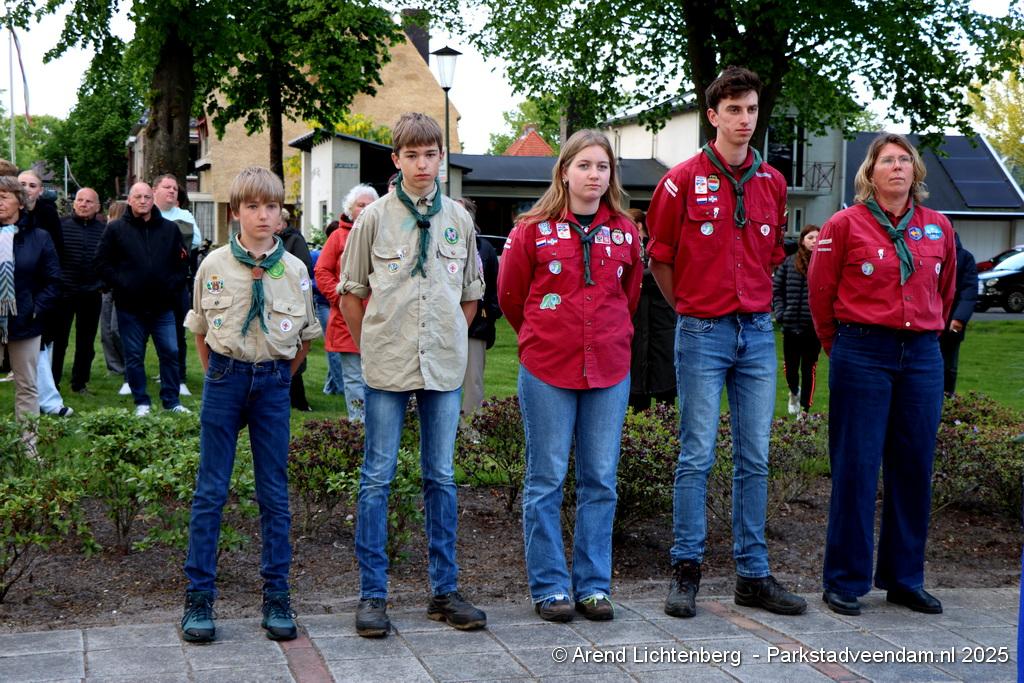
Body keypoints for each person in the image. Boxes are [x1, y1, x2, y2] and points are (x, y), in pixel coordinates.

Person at [646, 66, 806, 618]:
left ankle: (753, 575)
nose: (745, 119)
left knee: (754, 456)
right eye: (734, 109)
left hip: (757, 332)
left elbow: (771, 257)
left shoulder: (773, 182)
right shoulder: (680, 181)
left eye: (752, 109)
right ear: (713, 115)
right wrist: (691, 309)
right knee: (696, 454)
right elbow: (660, 258)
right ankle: (685, 570)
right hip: (703, 331)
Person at [339, 112, 486, 638]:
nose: (423, 165)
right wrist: (373, 345)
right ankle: (372, 595)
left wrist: (448, 337)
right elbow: (351, 293)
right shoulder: (373, 219)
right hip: (387, 365)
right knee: (377, 477)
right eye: (412, 155)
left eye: (431, 155)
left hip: (442, 366)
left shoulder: (458, 219)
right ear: (396, 160)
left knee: (440, 476)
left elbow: (470, 295)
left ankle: (444, 590)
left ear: (441, 158)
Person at [808, 132, 956, 617]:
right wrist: (839, 347)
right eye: (887, 160)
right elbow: (820, 293)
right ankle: (844, 580)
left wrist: (926, 335)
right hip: (862, 351)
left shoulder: (937, 227)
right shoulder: (844, 225)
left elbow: (947, 290)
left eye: (904, 160)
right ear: (870, 173)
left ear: (916, 171)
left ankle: (904, 578)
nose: (897, 167)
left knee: (913, 467)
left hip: (922, 355)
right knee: (856, 465)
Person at [498, 129, 641, 622]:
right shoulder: (531, 230)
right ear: (563, 171)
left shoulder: (625, 232)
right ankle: (550, 587)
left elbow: (629, 296)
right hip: (547, 368)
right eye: (584, 165)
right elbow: (511, 297)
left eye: (602, 166)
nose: (593, 175)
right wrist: (543, 335)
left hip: (608, 369)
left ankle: (594, 586)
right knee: (546, 478)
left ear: (611, 175)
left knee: (600, 479)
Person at [180, 166, 320, 644]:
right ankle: (199, 597)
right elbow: (201, 330)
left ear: (282, 214)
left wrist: (278, 376)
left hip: (273, 383)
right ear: (235, 212)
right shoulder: (213, 265)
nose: (263, 215)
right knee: (210, 491)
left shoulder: (296, 270)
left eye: (272, 207)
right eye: (253, 207)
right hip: (225, 378)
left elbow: (305, 337)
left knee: (274, 494)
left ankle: (277, 595)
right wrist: (219, 373)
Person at [95, 182, 190, 416]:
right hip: (130, 307)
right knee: (134, 355)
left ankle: (172, 401)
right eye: (137, 196)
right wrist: (122, 283)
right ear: (129, 200)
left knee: (170, 352)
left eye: (147, 196)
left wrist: (170, 286)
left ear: (152, 199)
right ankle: (142, 402)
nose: (143, 201)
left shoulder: (170, 229)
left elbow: (182, 265)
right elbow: (102, 262)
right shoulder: (115, 229)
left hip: (163, 307)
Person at [0, 175, 61, 428]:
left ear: (20, 202)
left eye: (4, 197)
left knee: (27, 386)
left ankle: (28, 444)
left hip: (25, 321)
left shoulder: (39, 237)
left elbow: (53, 280)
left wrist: (36, 308)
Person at [314, 184, 377, 420]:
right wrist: (340, 298)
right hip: (346, 320)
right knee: (353, 377)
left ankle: (380, 425)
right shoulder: (338, 237)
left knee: (380, 377)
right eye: (361, 205)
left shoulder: (385, 234)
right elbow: (322, 271)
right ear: (350, 209)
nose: (366, 209)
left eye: (370, 205)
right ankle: (358, 426)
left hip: (380, 319)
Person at [18, 170, 73, 418]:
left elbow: (57, 252)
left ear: (40, 190)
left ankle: (49, 400)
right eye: (22, 184)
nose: (27, 189)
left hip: (38, 291)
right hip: (11, 287)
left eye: (32, 185)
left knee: (40, 344)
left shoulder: (46, 215)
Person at [52, 188, 105, 394]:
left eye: (89, 201)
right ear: (74, 204)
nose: (83, 204)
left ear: (97, 206)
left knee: (86, 342)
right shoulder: (60, 226)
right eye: (80, 200)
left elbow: (109, 259)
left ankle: (80, 383)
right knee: (59, 341)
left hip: (91, 294)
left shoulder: (104, 230)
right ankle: (52, 384)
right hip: (63, 293)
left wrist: (103, 283)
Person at [153, 173, 199, 397]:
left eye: (174, 188)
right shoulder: (146, 212)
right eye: (167, 187)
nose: (172, 191)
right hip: (149, 283)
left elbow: (195, 240)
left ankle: (179, 377)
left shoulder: (184, 215)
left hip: (177, 283)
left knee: (178, 331)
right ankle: (140, 376)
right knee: (146, 331)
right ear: (155, 191)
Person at [626, 207, 676, 412]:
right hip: (637, 327)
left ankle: (665, 428)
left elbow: (659, 274)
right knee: (636, 391)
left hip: (661, 326)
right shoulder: (628, 248)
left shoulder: (655, 247)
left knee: (665, 390)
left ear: (638, 225)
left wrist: (638, 276)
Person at [456, 196, 501, 425]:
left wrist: (490, 314)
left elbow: (494, 287)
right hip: (440, 323)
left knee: (473, 380)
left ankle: (470, 429)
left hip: (476, 326)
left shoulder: (484, 249)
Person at [772, 224, 822, 416]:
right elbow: (777, 289)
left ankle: (805, 410)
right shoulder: (789, 262)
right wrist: (780, 313)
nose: (814, 241)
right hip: (791, 325)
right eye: (810, 237)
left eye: (818, 238)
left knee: (809, 369)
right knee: (791, 368)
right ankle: (794, 391)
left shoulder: (825, 263)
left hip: (813, 327)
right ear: (802, 240)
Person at [275, 208, 314, 412]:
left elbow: (304, 269)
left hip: (291, 301)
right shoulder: (270, 240)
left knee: (294, 348)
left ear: (283, 223)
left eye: (277, 222)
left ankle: (299, 400)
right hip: (274, 302)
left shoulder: (294, 240)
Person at [939, 232, 977, 395]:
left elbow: (969, 291)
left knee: (948, 365)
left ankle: (947, 399)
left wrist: (959, 318)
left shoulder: (964, 258)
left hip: (951, 322)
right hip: (923, 322)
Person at [101, 200, 129, 395]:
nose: (108, 218)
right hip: (106, 288)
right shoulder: (106, 236)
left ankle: (129, 364)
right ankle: (114, 367)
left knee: (117, 329)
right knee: (106, 331)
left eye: (111, 215)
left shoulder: (125, 237)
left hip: (122, 288)